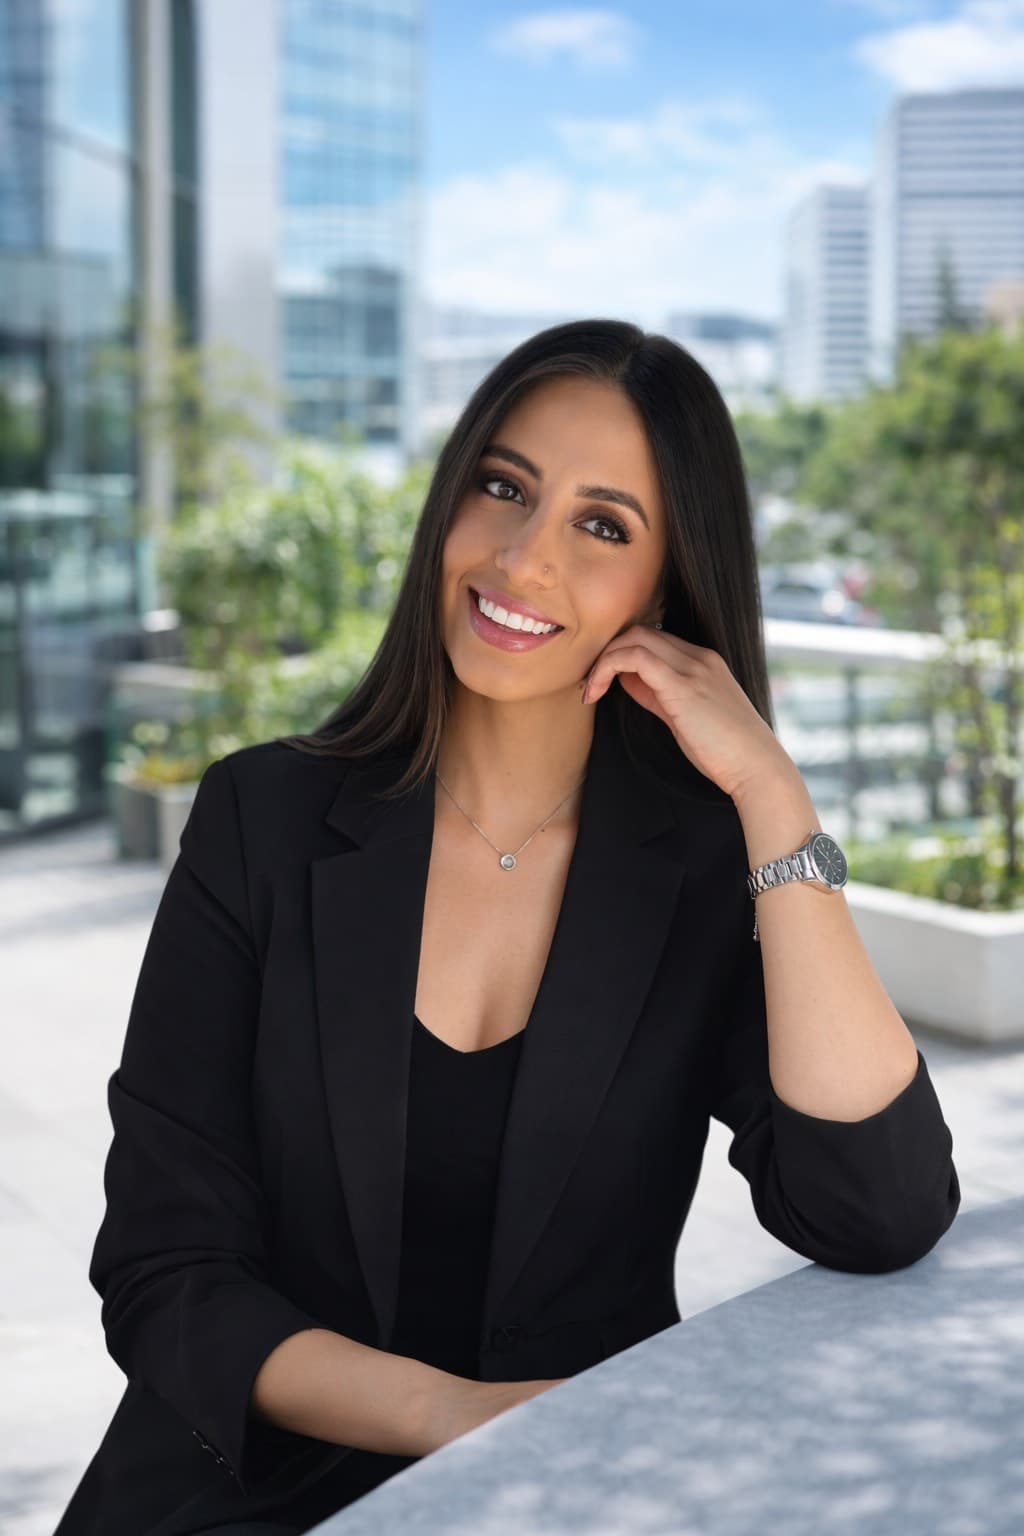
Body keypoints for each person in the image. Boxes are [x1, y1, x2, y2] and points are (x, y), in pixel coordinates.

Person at [55, 319, 961, 1535]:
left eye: (602, 525)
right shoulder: (258, 819)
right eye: (503, 486)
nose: (525, 558)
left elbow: (878, 1211)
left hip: (570, 1492)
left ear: (664, 584)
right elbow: (165, 1275)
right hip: (238, 1488)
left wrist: (774, 800)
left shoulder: (696, 867)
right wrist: (454, 1418)